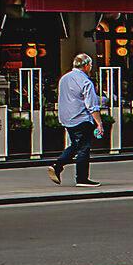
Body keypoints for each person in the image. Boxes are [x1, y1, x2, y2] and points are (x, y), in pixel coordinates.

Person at [50, 54, 103, 188]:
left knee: (76, 144)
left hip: (67, 118)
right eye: (90, 65)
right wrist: (99, 123)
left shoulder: (64, 78)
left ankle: (58, 166)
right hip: (81, 118)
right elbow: (92, 105)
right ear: (86, 66)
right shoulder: (86, 82)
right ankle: (82, 178)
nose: (90, 68)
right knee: (84, 148)